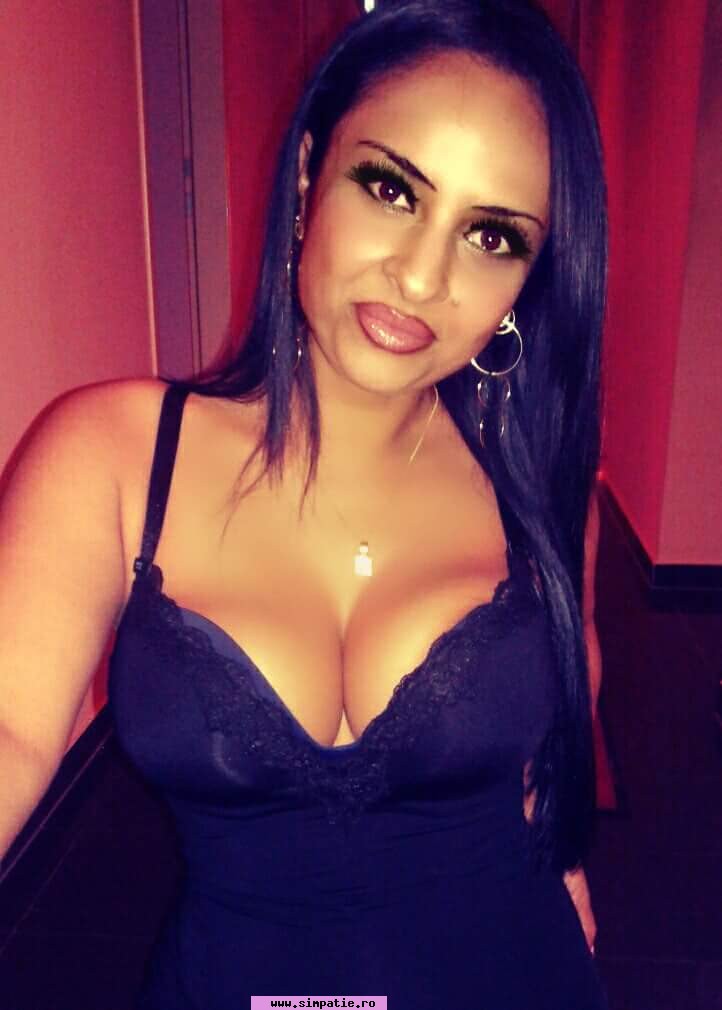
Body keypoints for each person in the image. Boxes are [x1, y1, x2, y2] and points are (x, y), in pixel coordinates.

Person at [0, 0, 608, 1005]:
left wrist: (565, 853)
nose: (421, 276)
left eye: (491, 235)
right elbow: (13, 730)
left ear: (527, 284)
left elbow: (566, 681)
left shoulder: (534, 483)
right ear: (306, 178)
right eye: (391, 188)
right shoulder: (114, 454)